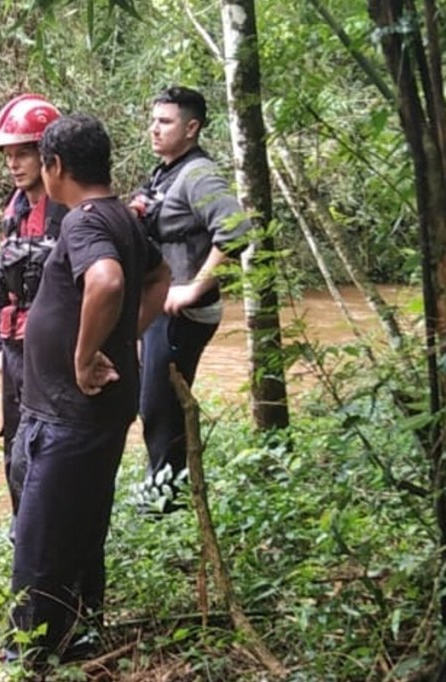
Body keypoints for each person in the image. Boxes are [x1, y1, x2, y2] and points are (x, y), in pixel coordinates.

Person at [7, 114, 170, 664]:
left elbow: (108, 280)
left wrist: (82, 358)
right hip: (83, 413)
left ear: (55, 167)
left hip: (69, 414)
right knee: (79, 525)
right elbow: (159, 277)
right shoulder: (121, 215)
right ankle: (78, 631)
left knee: (41, 543)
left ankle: (32, 656)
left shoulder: (84, 222)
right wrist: (125, 333)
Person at [128, 86, 251, 513]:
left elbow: (236, 229)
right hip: (159, 311)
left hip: (183, 314)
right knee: (153, 405)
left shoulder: (198, 174)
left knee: (160, 409)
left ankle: (164, 508)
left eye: (165, 122)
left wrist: (195, 287)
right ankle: (162, 495)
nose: (154, 129)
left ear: (192, 127)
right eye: (153, 120)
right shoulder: (166, 172)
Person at [0, 94, 69, 517]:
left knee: (45, 450)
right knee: (14, 446)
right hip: (17, 350)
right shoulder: (16, 209)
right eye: (8, 156)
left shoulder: (69, 213)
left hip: (54, 353)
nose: (14, 164)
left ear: (47, 155)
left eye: (23, 154)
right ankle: (22, 532)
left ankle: (47, 536)